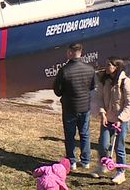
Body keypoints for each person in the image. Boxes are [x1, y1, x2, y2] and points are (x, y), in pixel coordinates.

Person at [53, 42, 96, 170]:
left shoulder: (64, 70)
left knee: (70, 135)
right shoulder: (90, 69)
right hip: (84, 107)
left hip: (70, 107)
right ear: (81, 53)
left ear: (71, 53)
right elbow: (92, 87)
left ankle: (71, 161)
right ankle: (86, 161)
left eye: (67, 52)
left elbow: (57, 91)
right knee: (85, 134)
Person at [92, 57, 130, 185]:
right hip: (107, 119)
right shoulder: (105, 80)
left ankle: (121, 172)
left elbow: (129, 105)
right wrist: (102, 114)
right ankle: (102, 166)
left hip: (121, 121)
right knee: (103, 145)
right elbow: (99, 98)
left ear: (116, 67)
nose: (106, 67)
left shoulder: (126, 82)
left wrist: (120, 119)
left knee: (119, 147)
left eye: (108, 65)